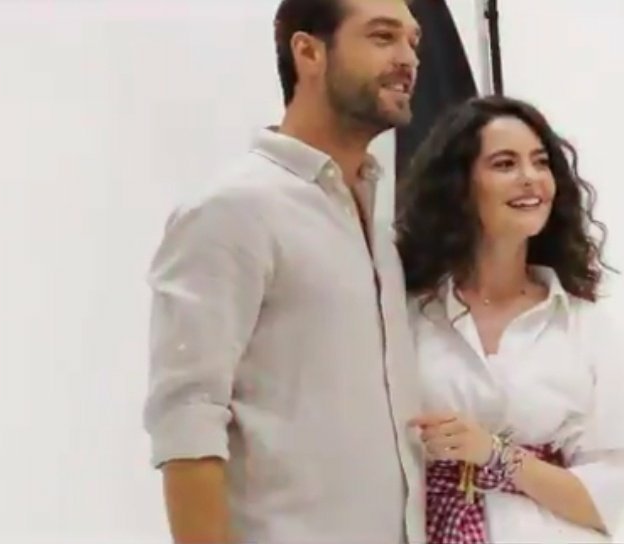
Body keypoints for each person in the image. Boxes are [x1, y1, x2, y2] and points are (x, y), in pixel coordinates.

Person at [142, 1, 425, 542]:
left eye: (413, 42)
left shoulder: (378, 225)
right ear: (308, 52)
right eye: (383, 36)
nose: (408, 58)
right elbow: (187, 417)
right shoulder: (233, 209)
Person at [395, 95, 624, 544]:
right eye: (505, 164)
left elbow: (605, 498)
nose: (530, 178)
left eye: (540, 162)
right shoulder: (411, 316)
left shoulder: (583, 326)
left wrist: (495, 456)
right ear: (460, 185)